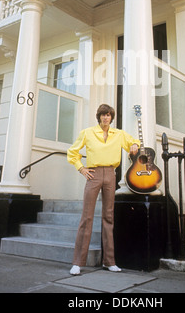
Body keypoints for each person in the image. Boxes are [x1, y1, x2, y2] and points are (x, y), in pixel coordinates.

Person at [67, 104, 140, 275]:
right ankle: (77, 262)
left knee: (108, 217)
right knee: (87, 217)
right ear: (98, 116)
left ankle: (109, 261)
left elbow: (134, 142)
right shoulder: (87, 132)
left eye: (108, 115)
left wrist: (135, 145)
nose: (106, 118)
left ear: (111, 117)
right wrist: (81, 168)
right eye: (103, 115)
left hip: (111, 175)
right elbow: (72, 152)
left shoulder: (119, 134)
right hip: (94, 174)